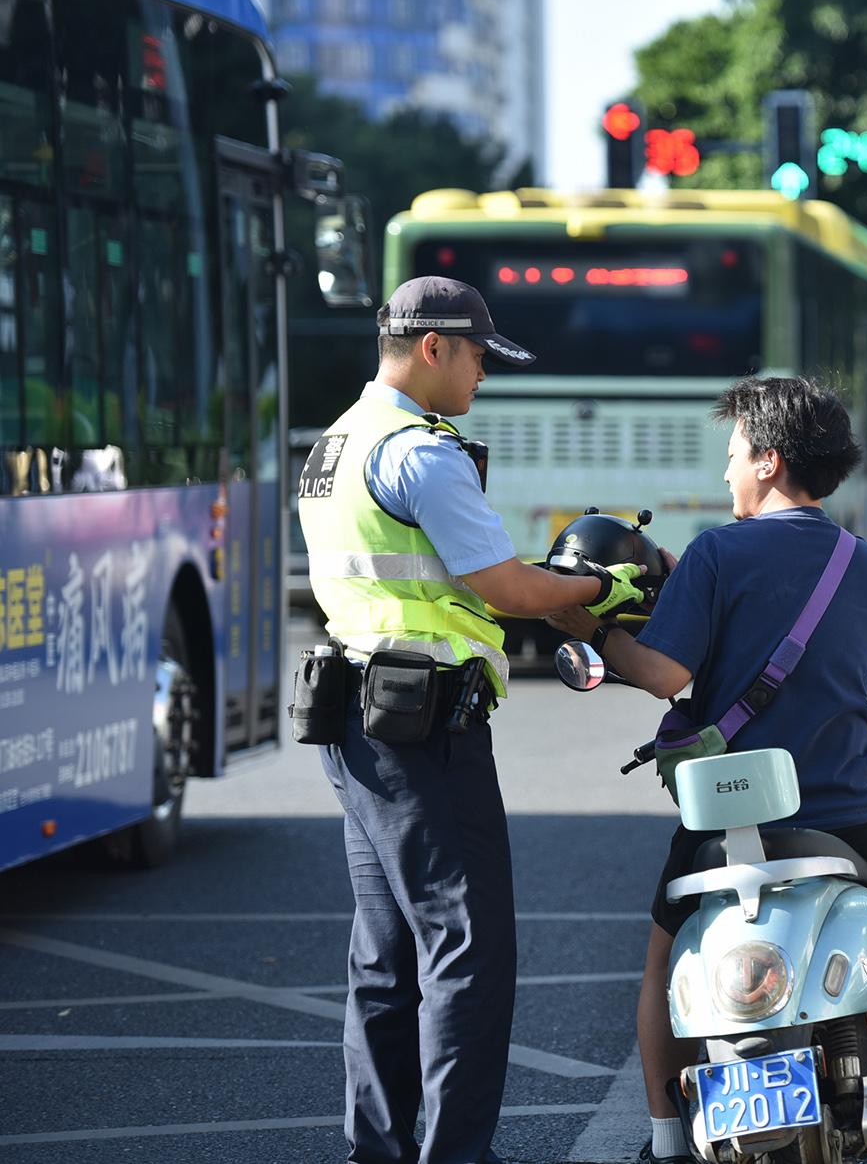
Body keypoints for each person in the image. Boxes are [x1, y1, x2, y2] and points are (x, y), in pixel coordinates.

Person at [548, 376, 867, 1164]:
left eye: (734, 454)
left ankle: (665, 1140)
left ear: (768, 461)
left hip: (726, 818)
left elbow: (662, 673)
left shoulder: (714, 554)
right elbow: (852, 651)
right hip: (848, 809)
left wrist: (589, 627)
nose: (727, 469)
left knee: (663, 960)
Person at [298, 276, 645, 1164]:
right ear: (433, 347)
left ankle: (377, 1149)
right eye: (480, 356)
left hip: (355, 718)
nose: (485, 373)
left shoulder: (338, 441)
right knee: (467, 952)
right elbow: (505, 589)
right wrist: (600, 587)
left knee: (385, 959)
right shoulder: (421, 452)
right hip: (424, 729)